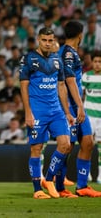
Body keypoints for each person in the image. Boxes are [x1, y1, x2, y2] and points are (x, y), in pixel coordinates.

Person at [19, 27, 74, 199]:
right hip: (38, 112)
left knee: (65, 145)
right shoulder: (28, 59)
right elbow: (24, 87)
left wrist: (67, 112)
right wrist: (28, 113)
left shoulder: (57, 60)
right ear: (38, 40)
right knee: (36, 148)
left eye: (50, 40)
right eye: (44, 40)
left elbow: (61, 86)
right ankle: (37, 190)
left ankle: (49, 179)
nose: (48, 43)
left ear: (54, 41)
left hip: (56, 110)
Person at [56, 21, 101, 197]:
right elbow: (69, 81)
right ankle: (59, 187)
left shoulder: (71, 52)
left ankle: (82, 186)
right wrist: (80, 106)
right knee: (67, 146)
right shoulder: (67, 53)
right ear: (80, 35)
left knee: (88, 142)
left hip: (77, 106)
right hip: (71, 107)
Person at [82, 52, 101, 183]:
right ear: (92, 62)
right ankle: (86, 173)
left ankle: (100, 175)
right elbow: (79, 94)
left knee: (100, 146)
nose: (97, 64)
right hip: (89, 115)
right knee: (87, 145)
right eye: (95, 61)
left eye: (100, 61)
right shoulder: (86, 76)